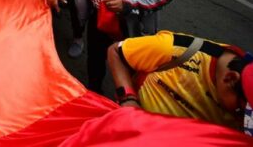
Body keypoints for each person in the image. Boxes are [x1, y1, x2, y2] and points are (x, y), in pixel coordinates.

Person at [107, 30, 252, 131]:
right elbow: (116, 51)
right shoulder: (176, 49)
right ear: (230, 79)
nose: (241, 121)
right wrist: (128, 99)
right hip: (133, 132)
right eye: (241, 112)